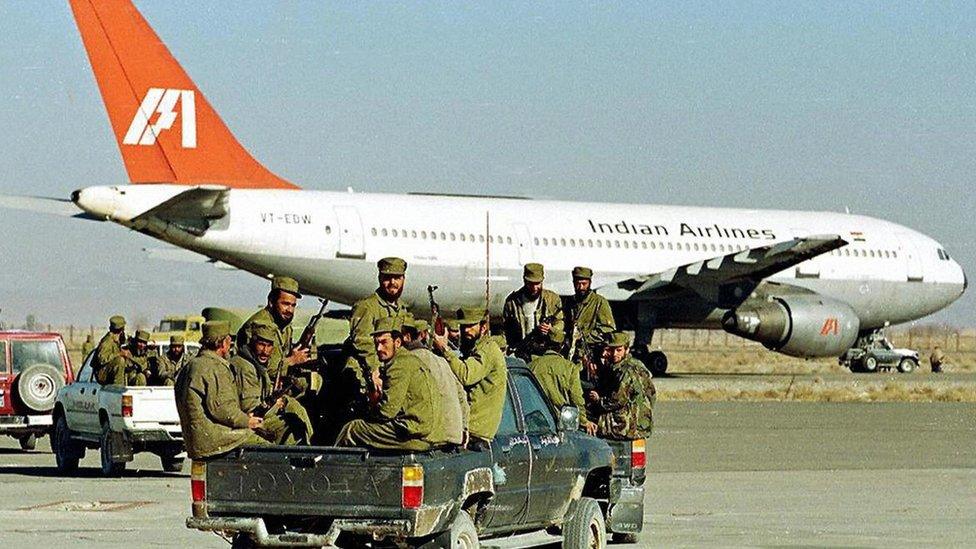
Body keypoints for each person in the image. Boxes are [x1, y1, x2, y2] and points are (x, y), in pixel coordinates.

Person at [335, 317, 444, 451]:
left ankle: (329, 467)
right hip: (426, 433)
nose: (379, 348)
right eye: (376, 343)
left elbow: (387, 411)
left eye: (384, 342)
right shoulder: (411, 360)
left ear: (397, 342)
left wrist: (369, 412)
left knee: (352, 428)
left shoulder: (398, 365)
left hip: (412, 435)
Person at [175, 321, 268, 460]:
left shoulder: (191, 365)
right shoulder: (215, 367)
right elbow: (222, 409)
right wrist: (248, 421)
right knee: (271, 451)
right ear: (223, 343)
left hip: (197, 439)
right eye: (229, 340)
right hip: (217, 439)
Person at [340, 257, 412, 417]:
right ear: (380, 278)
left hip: (389, 369)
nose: (392, 282)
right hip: (364, 369)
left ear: (403, 279)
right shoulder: (367, 306)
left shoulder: (402, 309)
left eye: (397, 278)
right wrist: (374, 371)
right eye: (387, 278)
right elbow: (362, 342)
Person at [433, 307, 507, 449]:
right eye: (464, 326)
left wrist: (445, 349)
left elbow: (466, 375)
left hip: (475, 435)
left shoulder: (488, 350)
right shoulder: (475, 350)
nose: (466, 330)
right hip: (466, 429)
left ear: (483, 327)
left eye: (471, 326)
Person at [230, 323, 313, 445]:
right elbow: (251, 409)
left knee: (294, 407)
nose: (265, 351)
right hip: (248, 423)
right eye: (261, 345)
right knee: (292, 422)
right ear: (252, 343)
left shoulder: (256, 364)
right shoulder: (245, 367)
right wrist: (277, 405)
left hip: (254, 418)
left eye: (269, 346)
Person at [402, 318, 468, 446]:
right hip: (454, 436)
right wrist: (464, 428)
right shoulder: (441, 361)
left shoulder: (408, 361)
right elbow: (462, 396)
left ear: (405, 337)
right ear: (424, 335)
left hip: (432, 438)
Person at [237, 276, 309, 382]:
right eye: (285, 304)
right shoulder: (261, 325)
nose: (290, 310)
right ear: (271, 302)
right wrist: (292, 360)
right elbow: (262, 368)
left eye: (293, 305)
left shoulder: (283, 323)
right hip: (256, 381)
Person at [587, 332, 655, 440]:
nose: (615, 354)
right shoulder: (638, 365)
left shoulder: (626, 372)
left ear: (627, 350)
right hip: (642, 425)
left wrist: (598, 400)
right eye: (612, 350)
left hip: (625, 428)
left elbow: (617, 400)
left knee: (586, 419)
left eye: (619, 350)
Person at [528, 331, 597, 435]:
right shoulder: (570, 368)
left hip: (534, 422)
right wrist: (584, 421)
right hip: (562, 424)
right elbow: (576, 398)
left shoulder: (531, 366)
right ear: (563, 346)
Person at [502, 263, 564, 359]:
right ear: (524, 280)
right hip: (520, 353)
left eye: (538, 284)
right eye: (531, 284)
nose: (535, 288)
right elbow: (504, 330)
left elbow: (560, 323)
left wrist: (550, 329)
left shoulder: (552, 300)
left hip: (545, 354)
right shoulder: (512, 302)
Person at [565, 266, 616, 360]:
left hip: (591, 355)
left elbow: (608, 329)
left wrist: (584, 337)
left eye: (584, 284)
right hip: (571, 353)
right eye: (578, 284)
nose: (581, 287)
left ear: (590, 283)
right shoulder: (569, 302)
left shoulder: (599, 302)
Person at [93, 315, 129, 385]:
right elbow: (102, 359)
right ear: (121, 329)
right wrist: (119, 353)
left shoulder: (116, 340)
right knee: (120, 361)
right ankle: (118, 388)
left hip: (106, 371)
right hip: (102, 374)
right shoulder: (108, 341)